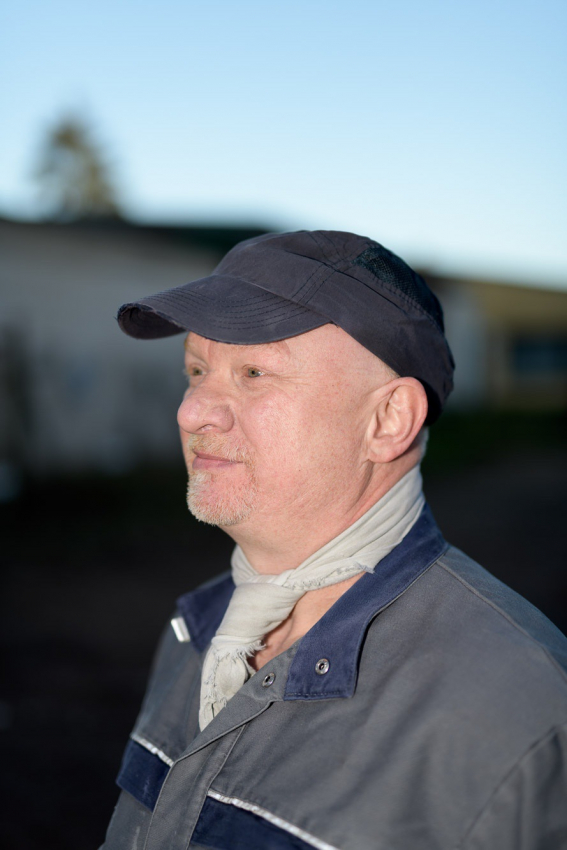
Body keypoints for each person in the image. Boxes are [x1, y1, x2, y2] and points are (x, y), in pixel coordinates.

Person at [102, 230, 567, 850]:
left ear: (388, 420)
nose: (192, 412)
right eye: (196, 370)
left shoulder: (520, 713)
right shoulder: (195, 634)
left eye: (253, 372)